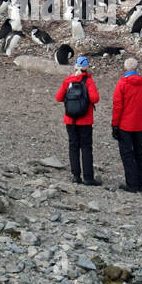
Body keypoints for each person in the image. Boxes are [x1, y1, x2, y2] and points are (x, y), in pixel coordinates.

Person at [110, 57, 142, 193]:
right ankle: (141, 183)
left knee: (127, 154)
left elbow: (118, 107)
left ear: (125, 69)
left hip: (125, 125)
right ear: (136, 69)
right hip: (140, 125)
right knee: (140, 153)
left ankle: (132, 184)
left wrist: (114, 125)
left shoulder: (122, 84)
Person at [55, 55, 101, 186]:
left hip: (70, 120)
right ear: (86, 68)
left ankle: (75, 175)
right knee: (86, 147)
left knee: (73, 146)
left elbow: (58, 97)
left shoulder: (68, 80)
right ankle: (88, 177)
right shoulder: (88, 81)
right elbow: (95, 99)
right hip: (85, 120)